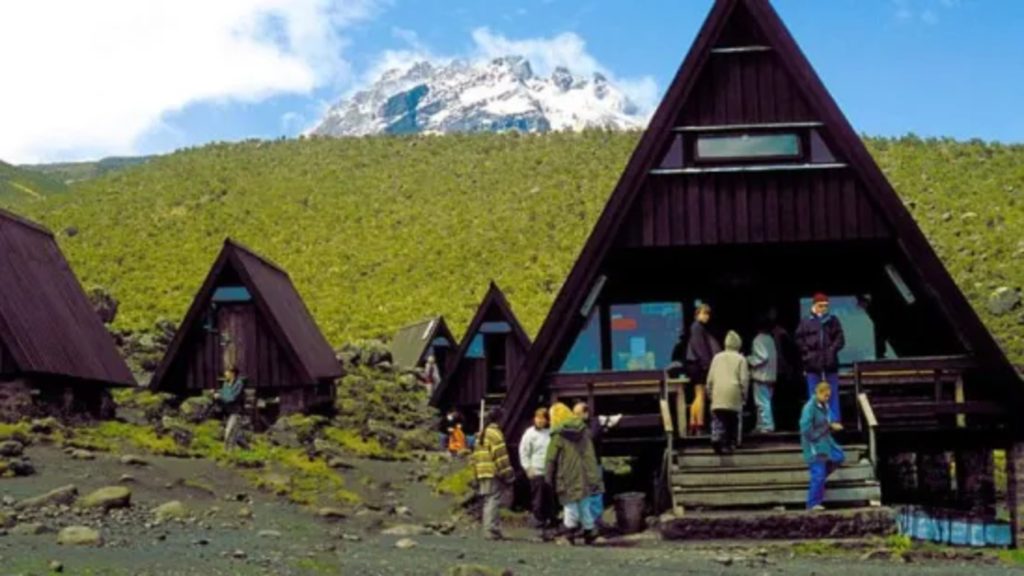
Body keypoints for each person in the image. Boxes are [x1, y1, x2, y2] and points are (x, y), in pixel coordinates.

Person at [545, 402, 603, 545]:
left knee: (569, 505)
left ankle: (568, 535)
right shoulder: (584, 431)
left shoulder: (558, 435)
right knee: (584, 504)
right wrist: (593, 475)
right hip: (584, 474)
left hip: (567, 475)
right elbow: (590, 455)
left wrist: (548, 477)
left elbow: (551, 458)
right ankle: (590, 533)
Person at [795, 293, 846, 423]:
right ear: (814, 306)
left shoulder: (832, 320)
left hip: (830, 363)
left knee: (832, 392)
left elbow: (840, 339)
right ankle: (816, 420)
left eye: (826, 306)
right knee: (813, 393)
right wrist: (807, 353)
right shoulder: (806, 321)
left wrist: (832, 350)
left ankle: (833, 421)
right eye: (821, 305)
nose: (824, 308)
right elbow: (798, 340)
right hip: (812, 364)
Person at [572, 402, 621, 534]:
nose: (575, 416)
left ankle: (595, 523)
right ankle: (584, 523)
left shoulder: (594, 423)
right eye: (574, 413)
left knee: (595, 493)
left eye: (578, 414)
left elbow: (590, 437)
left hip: (593, 464)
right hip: (579, 464)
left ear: (585, 413)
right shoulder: (574, 425)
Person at [470, 407, 515, 540]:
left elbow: (475, 455)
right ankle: (491, 530)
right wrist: (508, 473)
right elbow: (501, 457)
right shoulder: (495, 434)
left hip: (481, 470)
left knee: (487, 499)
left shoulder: (482, 434)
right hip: (492, 471)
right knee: (493, 499)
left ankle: (487, 528)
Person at [800, 382, 845, 511]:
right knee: (818, 474)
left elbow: (830, 419)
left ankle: (818, 482)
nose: (827, 398)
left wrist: (832, 425)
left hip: (826, 443)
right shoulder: (809, 408)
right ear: (818, 393)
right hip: (814, 445)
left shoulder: (824, 405)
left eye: (828, 396)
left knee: (839, 456)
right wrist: (824, 430)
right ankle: (813, 503)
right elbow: (805, 429)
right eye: (825, 396)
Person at [706, 331, 750, 454]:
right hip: (733, 394)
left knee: (718, 419)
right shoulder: (741, 359)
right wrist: (744, 396)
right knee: (732, 421)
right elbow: (744, 380)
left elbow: (710, 379)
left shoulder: (716, 358)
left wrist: (710, 394)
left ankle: (717, 438)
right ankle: (729, 443)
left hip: (718, 394)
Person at [684, 303, 722, 435]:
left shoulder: (698, 328)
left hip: (695, 363)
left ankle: (694, 423)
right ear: (697, 314)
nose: (707, 316)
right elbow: (699, 347)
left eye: (708, 314)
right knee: (700, 394)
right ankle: (698, 423)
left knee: (698, 395)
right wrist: (706, 364)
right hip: (698, 364)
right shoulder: (697, 328)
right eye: (704, 313)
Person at [519, 408, 555, 531]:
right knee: (538, 499)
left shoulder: (551, 432)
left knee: (550, 498)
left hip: (550, 470)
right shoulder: (529, 434)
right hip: (537, 470)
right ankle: (538, 524)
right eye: (538, 418)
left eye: (542, 418)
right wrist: (527, 467)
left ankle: (550, 522)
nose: (540, 421)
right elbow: (524, 452)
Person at [747, 320, 779, 434]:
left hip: (761, 376)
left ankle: (766, 425)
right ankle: (761, 425)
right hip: (770, 375)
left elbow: (762, 356)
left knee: (762, 402)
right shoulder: (770, 339)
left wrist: (749, 359)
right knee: (766, 401)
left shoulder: (758, 339)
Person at [215, 367, 247, 451]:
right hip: (227, 413)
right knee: (238, 437)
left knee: (228, 434)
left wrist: (220, 396)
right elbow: (224, 395)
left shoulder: (239, 384)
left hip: (236, 412)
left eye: (227, 372)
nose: (225, 374)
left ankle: (228, 455)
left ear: (232, 373)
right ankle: (249, 451)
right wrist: (217, 394)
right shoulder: (226, 383)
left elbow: (231, 398)